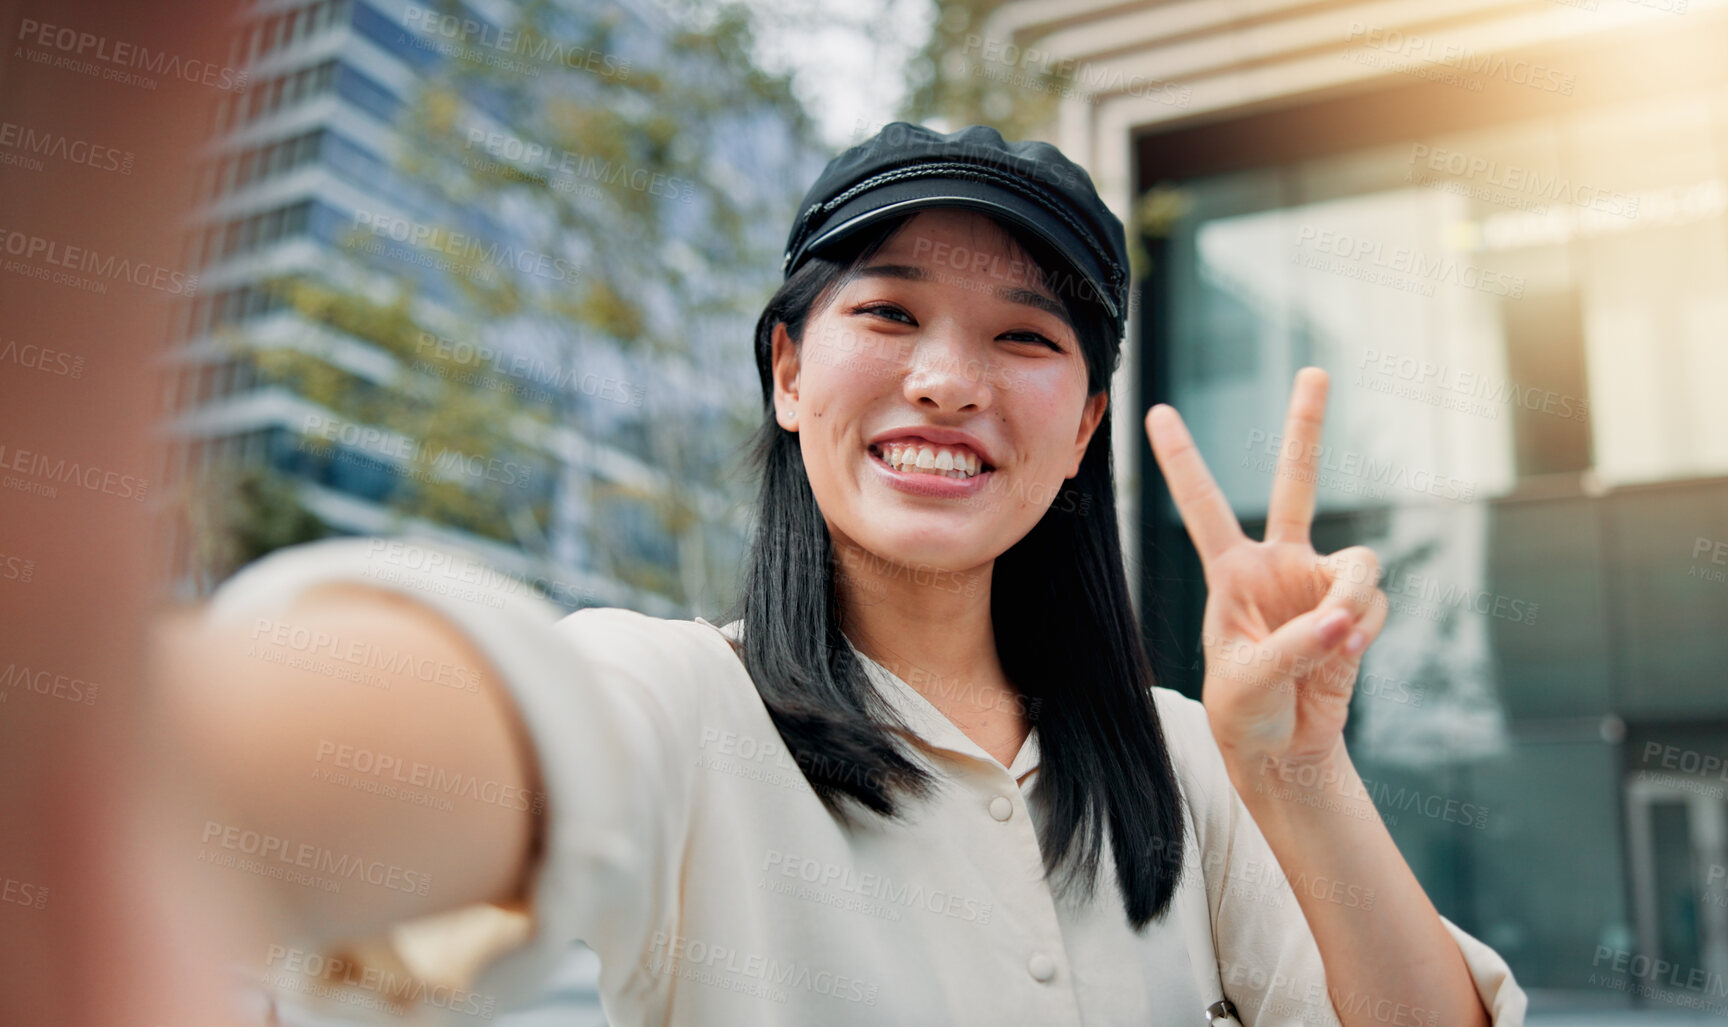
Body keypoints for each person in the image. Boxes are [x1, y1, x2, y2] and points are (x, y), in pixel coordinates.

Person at [151, 122, 1527, 1026]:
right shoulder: (679, 699)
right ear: (791, 370)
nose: (947, 382)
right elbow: (450, 749)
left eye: (1026, 339)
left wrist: (1295, 775)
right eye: (888, 312)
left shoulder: (1181, 759)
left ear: (1083, 432)